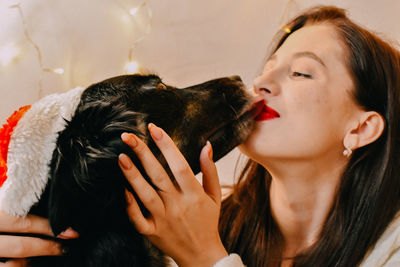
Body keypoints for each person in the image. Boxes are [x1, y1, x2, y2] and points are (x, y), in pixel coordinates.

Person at [1, 5, 400, 267]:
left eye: (301, 72)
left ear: (361, 128)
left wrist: (206, 258)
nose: (261, 81)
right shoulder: (187, 219)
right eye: (269, 66)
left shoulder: (390, 250)